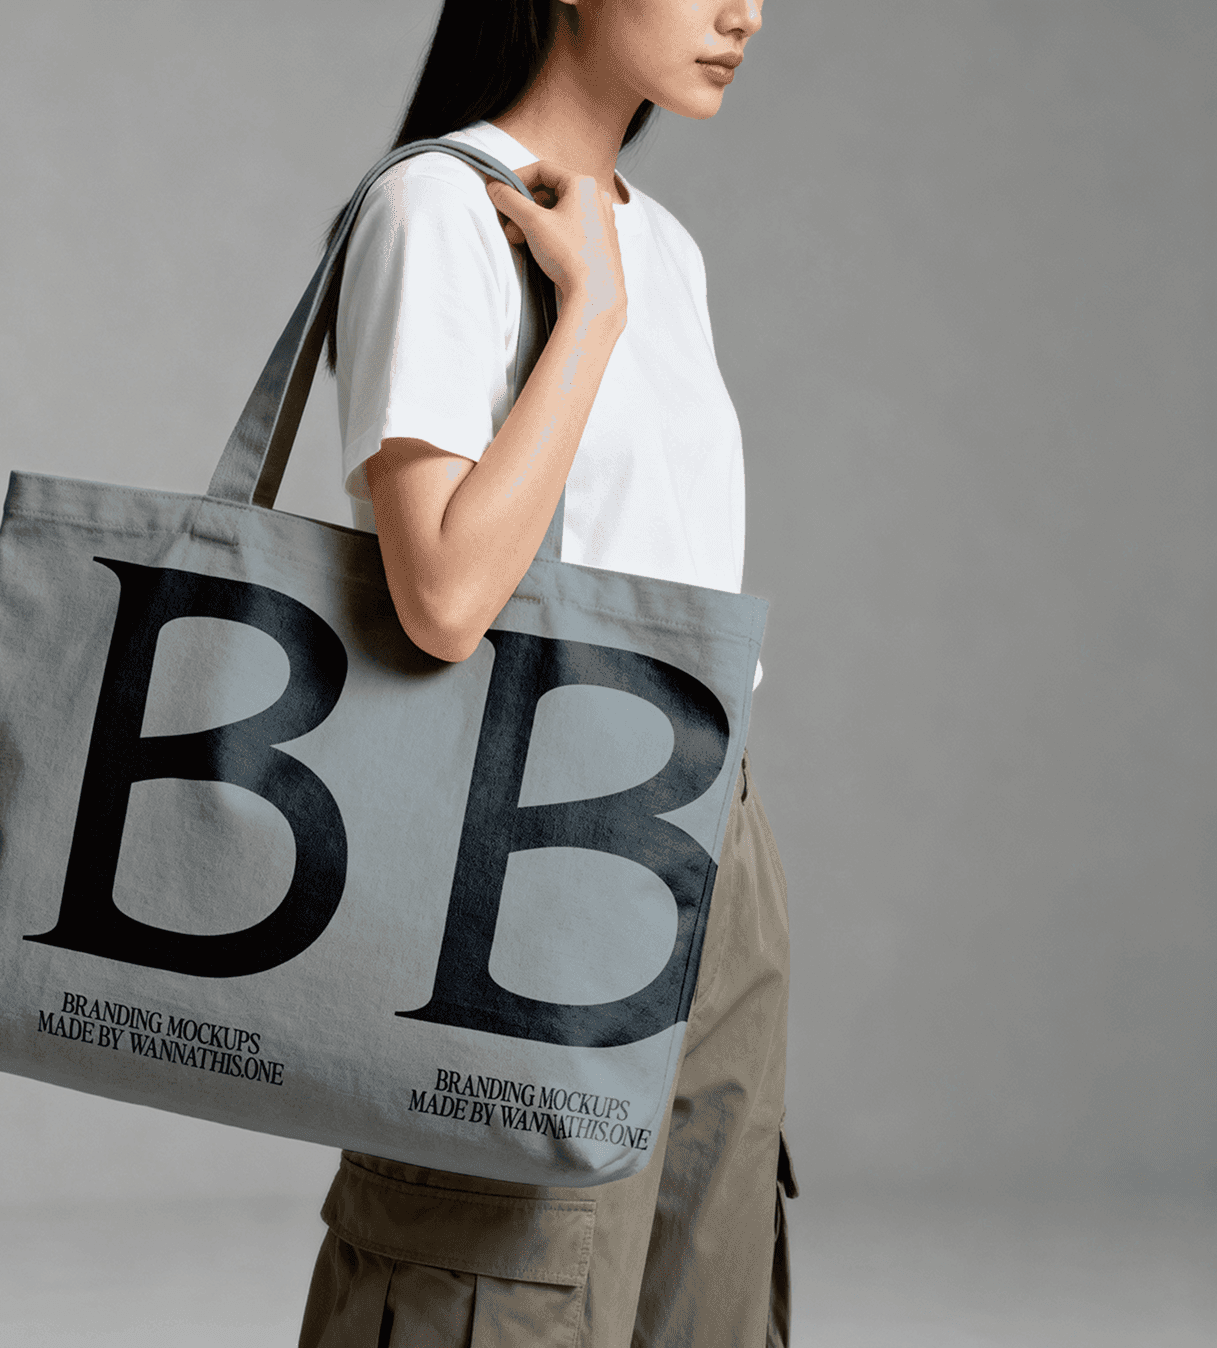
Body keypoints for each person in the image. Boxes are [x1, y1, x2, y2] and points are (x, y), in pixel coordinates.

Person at [297, 2, 793, 1344]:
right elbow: (446, 596)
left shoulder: (666, 246)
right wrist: (587, 317)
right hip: (539, 847)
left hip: (715, 841)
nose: (745, 10)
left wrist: (619, 281)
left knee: (712, 1298)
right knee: (508, 1289)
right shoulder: (438, 210)